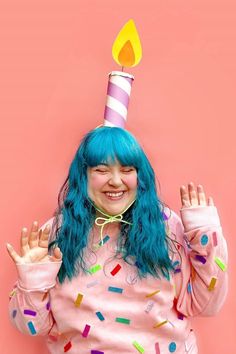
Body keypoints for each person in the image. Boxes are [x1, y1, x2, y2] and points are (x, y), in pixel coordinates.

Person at [7, 126, 228, 354]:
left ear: (139, 176)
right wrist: (32, 282)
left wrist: (205, 236)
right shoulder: (55, 234)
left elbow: (207, 305)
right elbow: (32, 327)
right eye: (102, 170)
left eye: (126, 169)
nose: (115, 181)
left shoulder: (166, 227)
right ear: (83, 176)